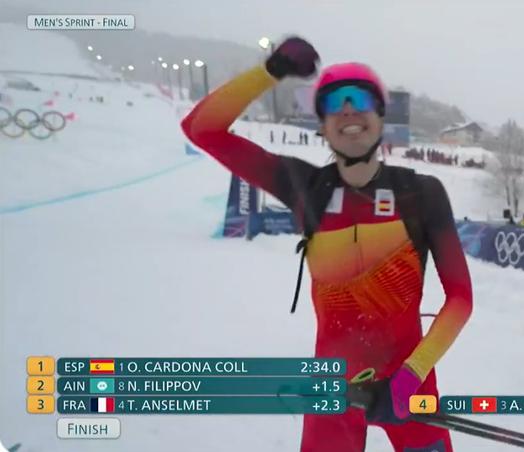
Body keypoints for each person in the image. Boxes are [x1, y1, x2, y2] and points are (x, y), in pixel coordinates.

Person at [182, 37, 472, 452]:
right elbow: (201, 129)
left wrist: (410, 375)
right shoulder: (305, 188)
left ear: (380, 116)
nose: (349, 109)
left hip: (410, 381)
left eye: (360, 99)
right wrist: (272, 70)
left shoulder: (420, 192)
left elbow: (460, 298)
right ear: (322, 125)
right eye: (334, 102)